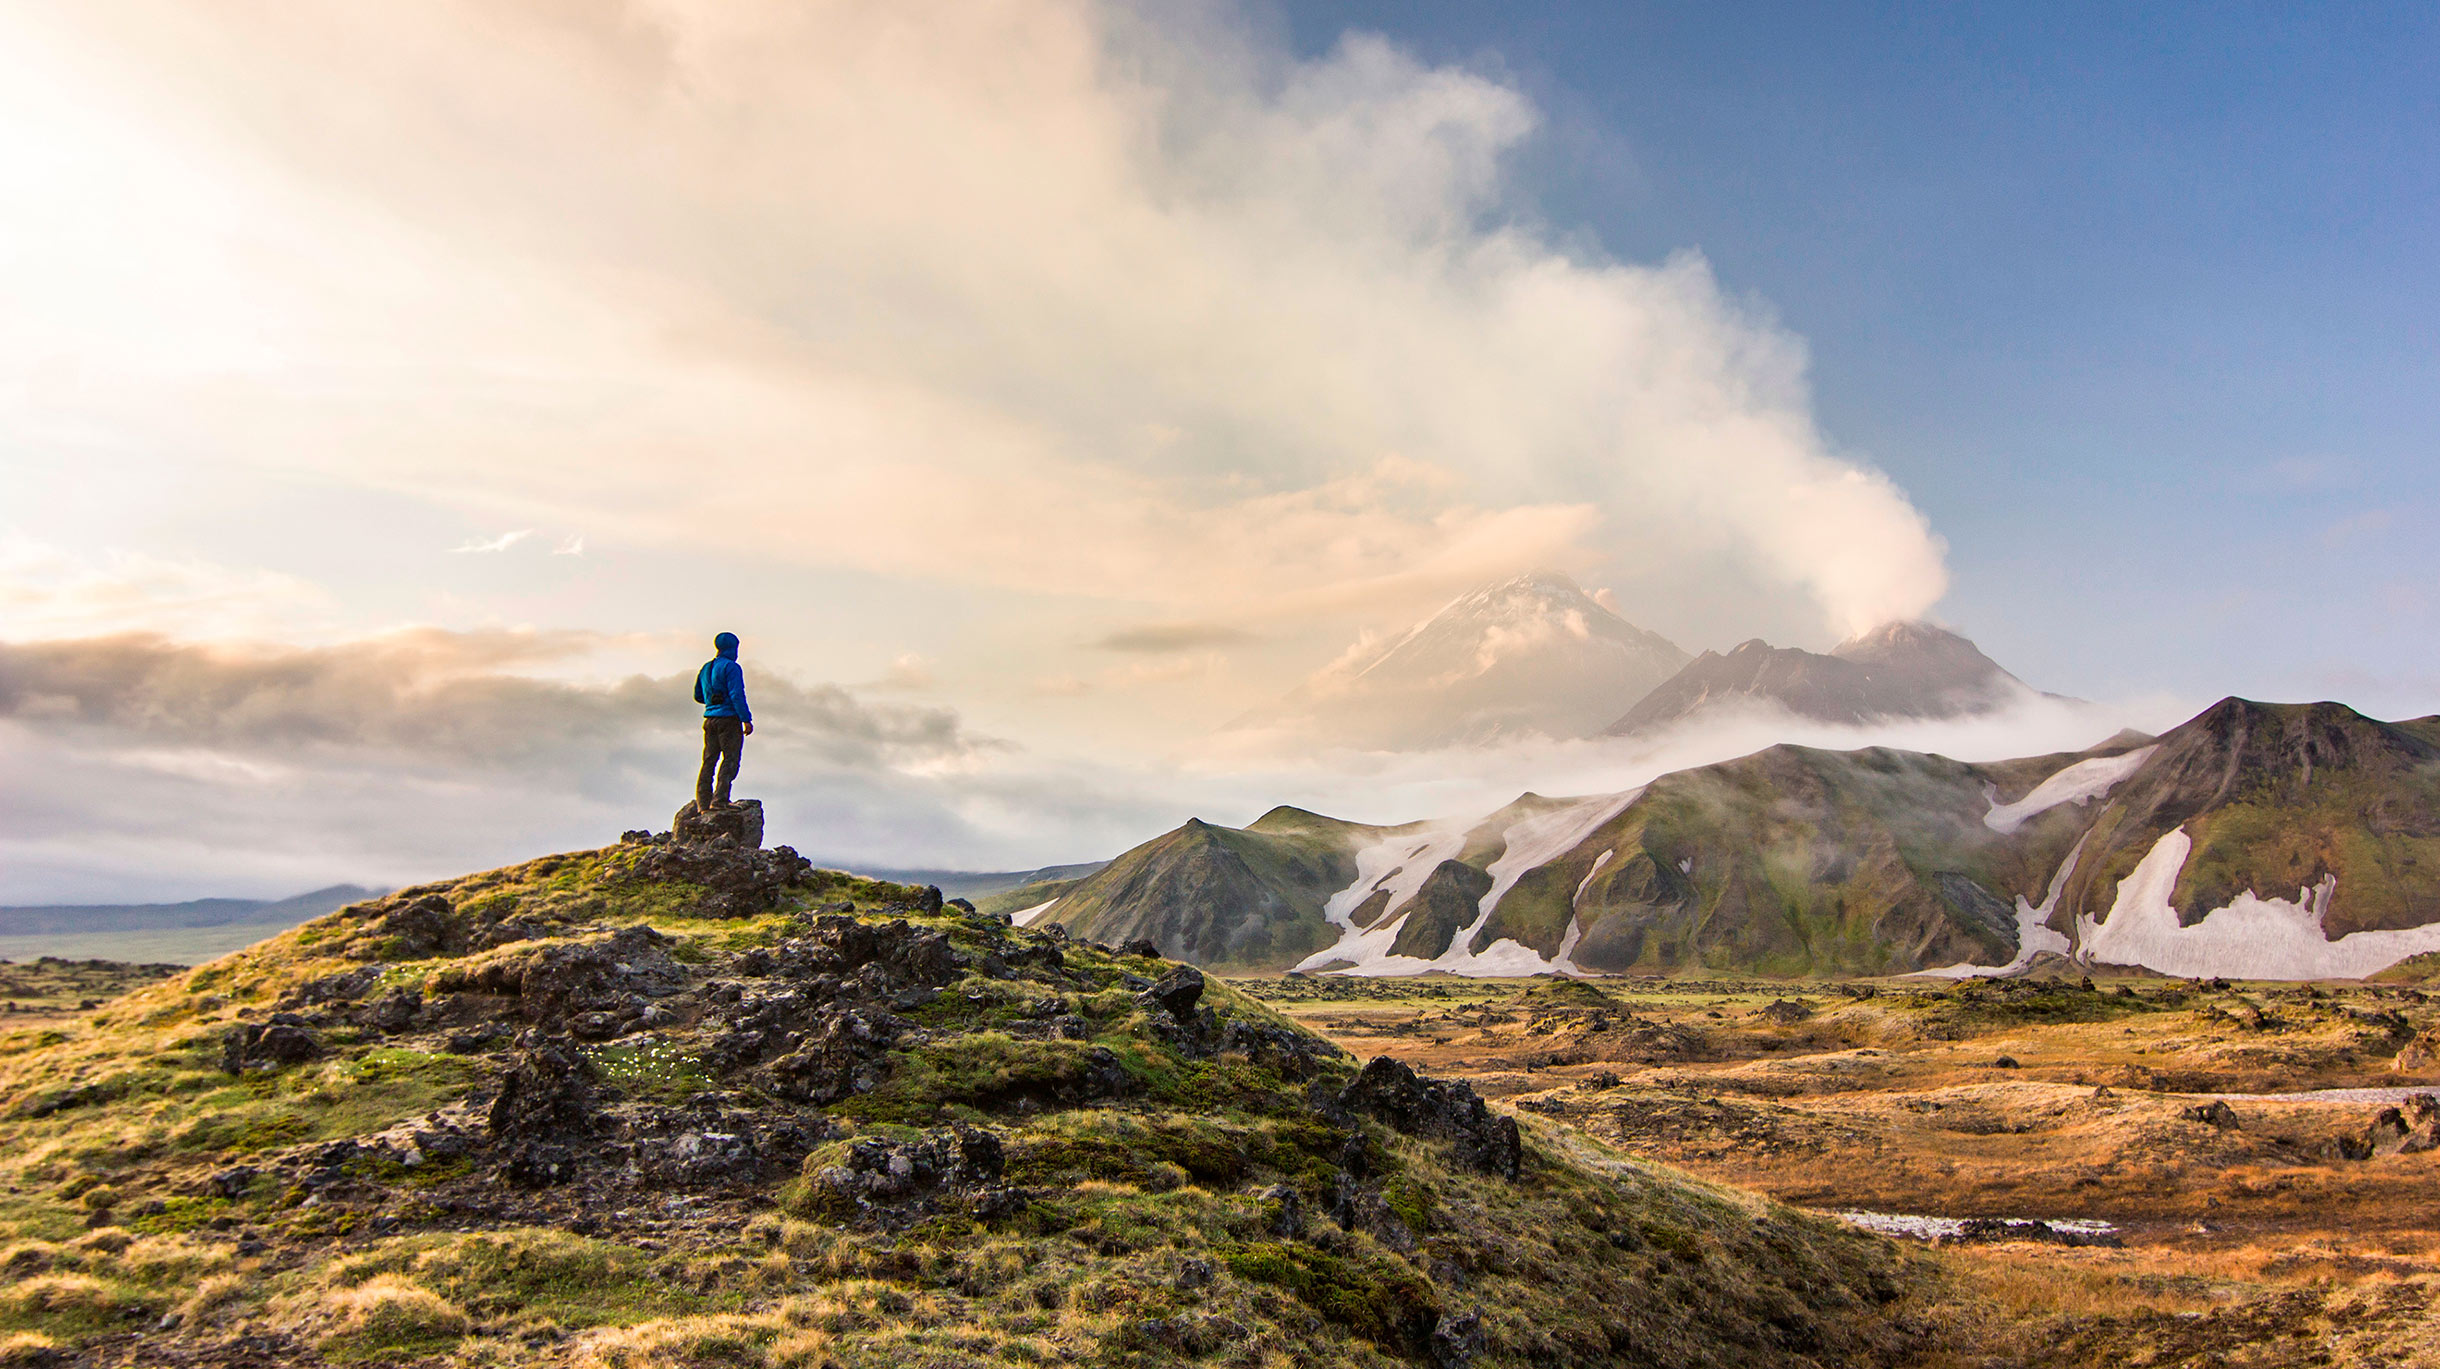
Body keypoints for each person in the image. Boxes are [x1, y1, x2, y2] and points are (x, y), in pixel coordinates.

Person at [693, 631, 753, 809]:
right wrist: (746, 719)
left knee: (709, 760)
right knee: (730, 759)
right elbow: (737, 694)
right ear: (733, 648)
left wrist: (712, 700)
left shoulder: (705, 668)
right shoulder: (731, 668)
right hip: (728, 720)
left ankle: (703, 804)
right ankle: (720, 800)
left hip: (710, 719)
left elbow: (698, 695)